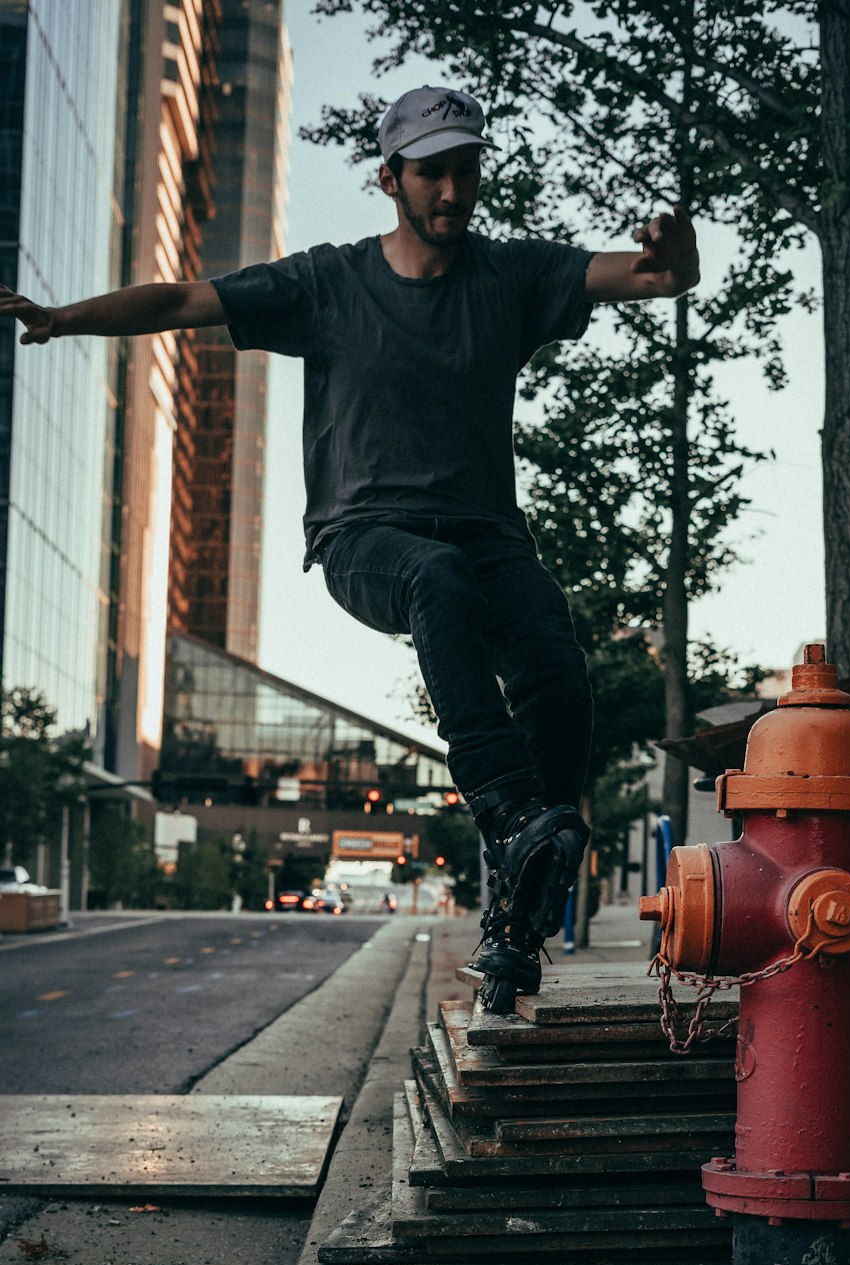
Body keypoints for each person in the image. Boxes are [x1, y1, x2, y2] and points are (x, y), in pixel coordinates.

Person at [0, 84, 699, 1012]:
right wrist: (62, 317)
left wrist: (675, 249)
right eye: (433, 174)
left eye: (467, 171)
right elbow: (182, 297)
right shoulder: (326, 283)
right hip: (364, 540)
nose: (454, 191)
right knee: (436, 581)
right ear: (391, 179)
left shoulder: (513, 275)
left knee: (557, 666)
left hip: (492, 536)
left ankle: (520, 917)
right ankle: (508, 807)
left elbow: (655, 279)